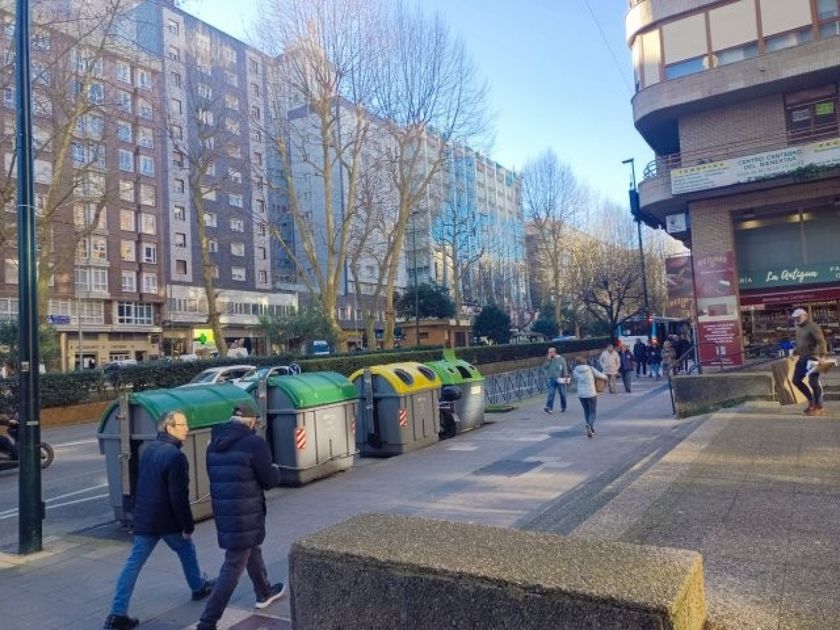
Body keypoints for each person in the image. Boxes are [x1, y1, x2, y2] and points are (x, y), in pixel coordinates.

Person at [104, 410, 214, 630]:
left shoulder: (150, 449)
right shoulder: (175, 457)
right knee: (186, 548)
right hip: (166, 520)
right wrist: (187, 525)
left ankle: (117, 614)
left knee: (133, 564)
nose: (187, 429)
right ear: (169, 427)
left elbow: (141, 484)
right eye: (182, 425)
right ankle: (198, 587)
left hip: (145, 518)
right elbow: (178, 496)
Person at [197, 403, 285, 630]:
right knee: (233, 566)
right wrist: (275, 470)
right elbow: (268, 480)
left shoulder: (213, 444)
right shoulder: (254, 443)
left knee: (251, 548)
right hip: (246, 512)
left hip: (226, 511)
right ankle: (207, 622)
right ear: (251, 421)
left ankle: (264, 592)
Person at [791, 308, 827, 416]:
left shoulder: (813, 326)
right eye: (795, 317)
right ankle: (811, 401)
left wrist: (822, 356)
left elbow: (821, 342)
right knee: (796, 380)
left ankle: (819, 406)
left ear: (805, 316)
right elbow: (800, 344)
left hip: (813, 357)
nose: (797, 319)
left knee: (813, 382)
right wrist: (794, 353)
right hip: (802, 358)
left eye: (799, 317)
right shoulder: (799, 328)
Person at [572, 355, 608, 438]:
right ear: (585, 362)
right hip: (591, 393)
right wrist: (606, 377)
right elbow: (600, 375)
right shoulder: (590, 369)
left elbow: (575, 381)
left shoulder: (575, 371)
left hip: (581, 394)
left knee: (586, 410)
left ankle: (591, 429)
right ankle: (589, 424)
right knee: (593, 412)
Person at [542, 347, 569, 414]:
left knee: (562, 394)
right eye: (548, 352)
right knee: (551, 393)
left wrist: (566, 376)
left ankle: (563, 407)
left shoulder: (561, 359)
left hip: (560, 379)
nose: (549, 353)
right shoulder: (549, 359)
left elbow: (564, 368)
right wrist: (548, 360)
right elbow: (544, 367)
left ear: (554, 352)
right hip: (551, 379)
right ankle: (549, 408)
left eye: (550, 352)